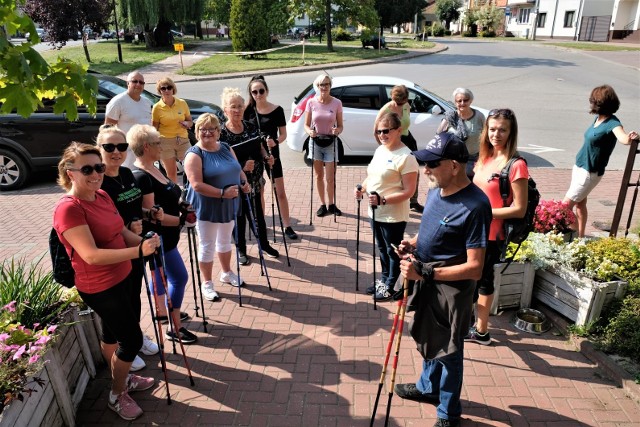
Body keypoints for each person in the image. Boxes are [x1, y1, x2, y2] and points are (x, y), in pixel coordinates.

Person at [53, 142, 161, 421]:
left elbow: (121, 232)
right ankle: (116, 394)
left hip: (124, 274)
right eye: (87, 169)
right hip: (99, 286)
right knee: (132, 339)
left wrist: (144, 242)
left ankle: (122, 379)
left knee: (112, 335)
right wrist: (139, 251)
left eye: (98, 167)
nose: (96, 173)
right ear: (70, 173)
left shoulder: (101, 196)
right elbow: (91, 256)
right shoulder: (69, 209)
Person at [393, 133, 491, 427]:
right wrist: (413, 243)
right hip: (427, 280)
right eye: (425, 163)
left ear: (454, 166)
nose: (426, 171)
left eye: (432, 165)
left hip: (452, 290)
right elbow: (430, 230)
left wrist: (426, 272)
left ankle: (448, 412)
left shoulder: (475, 206)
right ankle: (427, 388)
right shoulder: (436, 191)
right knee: (427, 335)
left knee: (449, 349)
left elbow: (475, 268)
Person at [97, 125, 162, 372]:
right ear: (99, 149)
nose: (117, 152)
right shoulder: (99, 182)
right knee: (118, 304)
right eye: (109, 147)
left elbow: (134, 207)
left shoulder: (126, 173)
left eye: (122, 146)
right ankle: (125, 347)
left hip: (136, 248)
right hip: (114, 253)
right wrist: (126, 227)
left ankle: (134, 336)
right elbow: (100, 221)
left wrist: (149, 212)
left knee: (134, 295)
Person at [129, 124, 197, 345]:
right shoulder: (141, 177)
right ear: (147, 146)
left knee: (161, 277)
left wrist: (180, 203)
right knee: (179, 277)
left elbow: (169, 192)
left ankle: (165, 312)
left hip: (170, 237)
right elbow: (152, 216)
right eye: (158, 142)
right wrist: (181, 221)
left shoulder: (155, 166)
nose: (162, 146)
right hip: (160, 240)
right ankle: (175, 327)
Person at [466, 108, 529, 346]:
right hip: (472, 230)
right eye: (492, 129)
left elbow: (519, 209)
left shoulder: (516, 165)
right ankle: (470, 320)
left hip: (492, 234)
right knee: (470, 276)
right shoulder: (485, 157)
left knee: (483, 279)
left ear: (511, 132)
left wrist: (484, 213)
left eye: (503, 129)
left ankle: (481, 331)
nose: (496, 134)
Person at [184, 113, 251, 300]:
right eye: (203, 129)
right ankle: (207, 283)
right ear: (197, 132)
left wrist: (244, 183)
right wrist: (222, 193)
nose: (208, 132)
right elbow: (196, 185)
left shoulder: (226, 147)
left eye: (212, 129)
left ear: (218, 131)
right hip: (208, 206)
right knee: (207, 244)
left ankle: (226, 273)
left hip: (229, 203)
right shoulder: (194, 155)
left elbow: (237, 169)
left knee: (225, 240)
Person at [356, 112, 419, 302]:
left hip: (393, 215)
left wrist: (383, 200)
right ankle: (384, 280)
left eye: (386, 131)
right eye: (378, 132)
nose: (381, 135)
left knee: (393, 252)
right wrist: (362, 188)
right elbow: (372, 176)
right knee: (381, 249)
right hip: (375, 212)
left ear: (399, 130)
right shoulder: (381, 150)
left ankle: (391, 285)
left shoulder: (406, 157)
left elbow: (409, 191)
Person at [563, 85, 638, 237]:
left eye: (593, 100)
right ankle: (581, 236)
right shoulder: (598, 119)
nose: (591, 103)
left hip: (589, 172)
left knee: (564, 207)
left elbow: (623, 138)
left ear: (601, 103)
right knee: (580, 204)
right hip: (579, 167)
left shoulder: (613, 123)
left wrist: (631, 137)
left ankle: (574, 242)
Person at [220, 87, 279, 265]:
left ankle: (264, 244)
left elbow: (259, 146)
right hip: (235, 182)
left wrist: (266, 157)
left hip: (254, 180)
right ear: (226, 110)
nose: (237, 110)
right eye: (233, 106)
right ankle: (241, 249)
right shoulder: (223, 134)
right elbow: (222, 161)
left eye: (240, 106)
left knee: (258, 215)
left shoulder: (251, 127)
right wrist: (242, 167)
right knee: (239, 216)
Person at [244, 75, 298, 240]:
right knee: (258, 192)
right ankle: (261, 224)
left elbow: (283, 135)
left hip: (273, 156)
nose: (258, 94)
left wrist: (274, 141)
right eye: (255, 92)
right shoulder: (247, 111)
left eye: (261, 91)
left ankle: (287, 225)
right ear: (251, 93)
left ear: (266, 91)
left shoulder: (277, 110)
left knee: (279, 192)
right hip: (256, 156)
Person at [375, 85, 423, 213]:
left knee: (413, 171)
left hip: (407, 140)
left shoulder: (406, 105)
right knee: (396, 173)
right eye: (398, 102)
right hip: (393, 142)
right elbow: (376, 130)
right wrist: (384, 146)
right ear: (392, 97)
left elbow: (406, 122)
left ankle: (413, 200)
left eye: (403, 102)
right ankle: (395, 199)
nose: (400, 104)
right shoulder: (386, 109)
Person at [304, 73, 344, 217]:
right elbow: (306, 125)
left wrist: (337, 130)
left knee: (330, 177)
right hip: (315, 143)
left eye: (327, 84)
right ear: (318, 86)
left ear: (330, 86)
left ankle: (332, 204)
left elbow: (340, 126)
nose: (324, 87)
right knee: (318, 175)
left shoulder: (337, 103)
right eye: (321, 85)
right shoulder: (311, 102)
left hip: (330, 142)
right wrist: (309, 132)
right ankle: (322, 204)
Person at [105, 71, 153, 169]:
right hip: (127, 152)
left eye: (141, 82)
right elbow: (107, 130)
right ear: (128, 83)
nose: (138, 84)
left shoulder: (146, 102)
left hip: (145, 149)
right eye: (134, 81)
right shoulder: (117, 102)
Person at [152, 77, 193, 184]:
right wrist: (155, 144)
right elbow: (154, 129)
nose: (166, 90)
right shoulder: (157, 108)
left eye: (169, 88)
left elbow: (190, 121)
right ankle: (176, 196)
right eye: (163, 88)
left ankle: (192, 191)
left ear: (173, 89)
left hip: (183, 140)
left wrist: (186, 124)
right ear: (159, 91)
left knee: (191, 167)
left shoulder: (182, 103)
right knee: (171, 173)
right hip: (165, 142)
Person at [437, 88, 485, 178]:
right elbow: (438, 135)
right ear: (455, 103)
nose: (462, 103)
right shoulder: (450, 116)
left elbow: (486, 137)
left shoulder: (479, 116)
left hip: (473, 160)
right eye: (459, 101)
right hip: (453, 160)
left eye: (465, 100)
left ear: (471, 101)